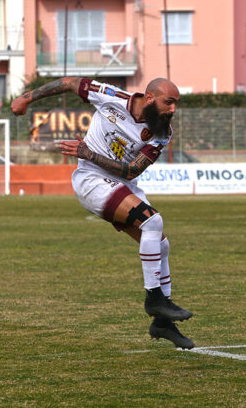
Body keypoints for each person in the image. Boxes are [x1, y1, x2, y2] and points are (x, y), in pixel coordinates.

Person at [10, 77, 194, 349]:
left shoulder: (162, 132)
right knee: (152, 222)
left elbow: (132, 170)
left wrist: (89, 152)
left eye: (176, 104)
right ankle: (155, 299)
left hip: (123, 182)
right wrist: (28, 97)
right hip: (91, 179)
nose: (173, 110)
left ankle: (162, 323)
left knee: (160, 243)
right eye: (170, 102)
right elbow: (72, 83)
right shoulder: (110, 96)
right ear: (151, 98)